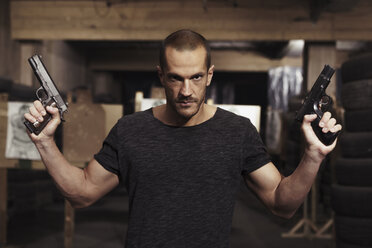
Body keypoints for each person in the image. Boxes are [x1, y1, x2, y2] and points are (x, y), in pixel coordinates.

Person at [24, 29, 342, 248]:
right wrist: (45, 142)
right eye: (175, 78)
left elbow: (282, 204)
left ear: (210, 75)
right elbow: (82, 194)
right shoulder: (130, 130)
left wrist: (313, 155)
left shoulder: (237, 131)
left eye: (195, 78)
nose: (186, 91)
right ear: (161, 75)